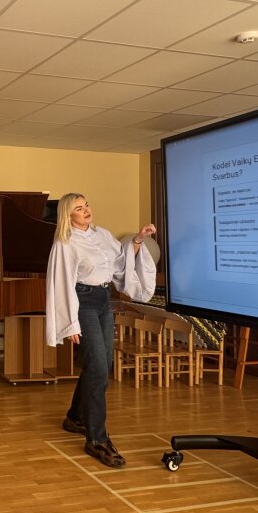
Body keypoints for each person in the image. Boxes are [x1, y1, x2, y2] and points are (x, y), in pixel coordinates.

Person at [45, 193, 156, 469]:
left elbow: (119, 263)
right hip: (82, 303)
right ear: (68, 215)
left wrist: (138, 239)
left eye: (86, 205)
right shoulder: (65, 242)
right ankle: (97, 438)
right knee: (96, 368)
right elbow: (61, 283)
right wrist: (70, 322)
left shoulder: (102, 235)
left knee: (102, 365)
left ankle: (75, 417)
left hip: (104, 301)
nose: (86, 210)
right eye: (78, 208)